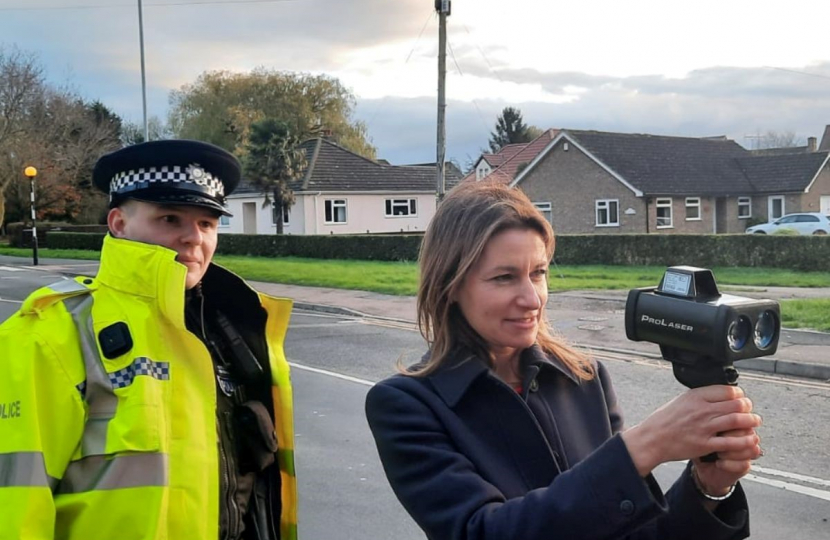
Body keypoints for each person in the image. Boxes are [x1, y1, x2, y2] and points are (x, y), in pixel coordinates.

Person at [365, 181, 762, 540]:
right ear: (449, 287)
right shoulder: (407, 405)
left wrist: (708, 487)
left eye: (538, 273)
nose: (532, 298)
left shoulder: (584, 378)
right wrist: (646, 444)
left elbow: (634, 532)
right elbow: (482, 532)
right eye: (504, 277)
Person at [0, 140, 297, 540]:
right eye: (171, 219)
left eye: (208, 223)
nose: (195, 238)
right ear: (119, 224)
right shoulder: (48, 335)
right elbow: (14, 504)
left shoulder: (232, 330)